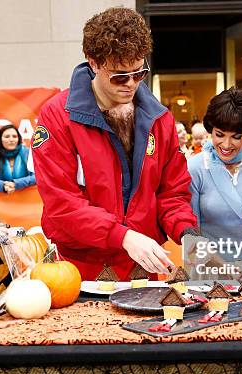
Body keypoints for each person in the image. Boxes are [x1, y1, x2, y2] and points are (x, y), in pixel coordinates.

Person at [32, 7, 198, 281]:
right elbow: (62, 203)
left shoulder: (160, 118)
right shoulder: (57, 116)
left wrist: (187, 232)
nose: (131, 84)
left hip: (142, 269)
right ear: (93, 62)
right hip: (78, 272)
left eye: (139, 73)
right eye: (120, 76)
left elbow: (172, 193)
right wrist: (123, 236)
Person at [188, 88, 242, 265]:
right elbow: (193, 232)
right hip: (206, 266)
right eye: (219, 135)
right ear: (210, 130)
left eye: (236, 137)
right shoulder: (194, 167)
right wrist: (225, 267)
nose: (226, 145)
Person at [0, 124, 36, 193]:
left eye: (14, 136)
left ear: (19, 139)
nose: (11, 139)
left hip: (27, 201)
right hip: (1, 201)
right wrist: (2, 185)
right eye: (7, 137)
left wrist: (17, 183)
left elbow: (37, 176)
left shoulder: (27, 153)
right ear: (0, 139)